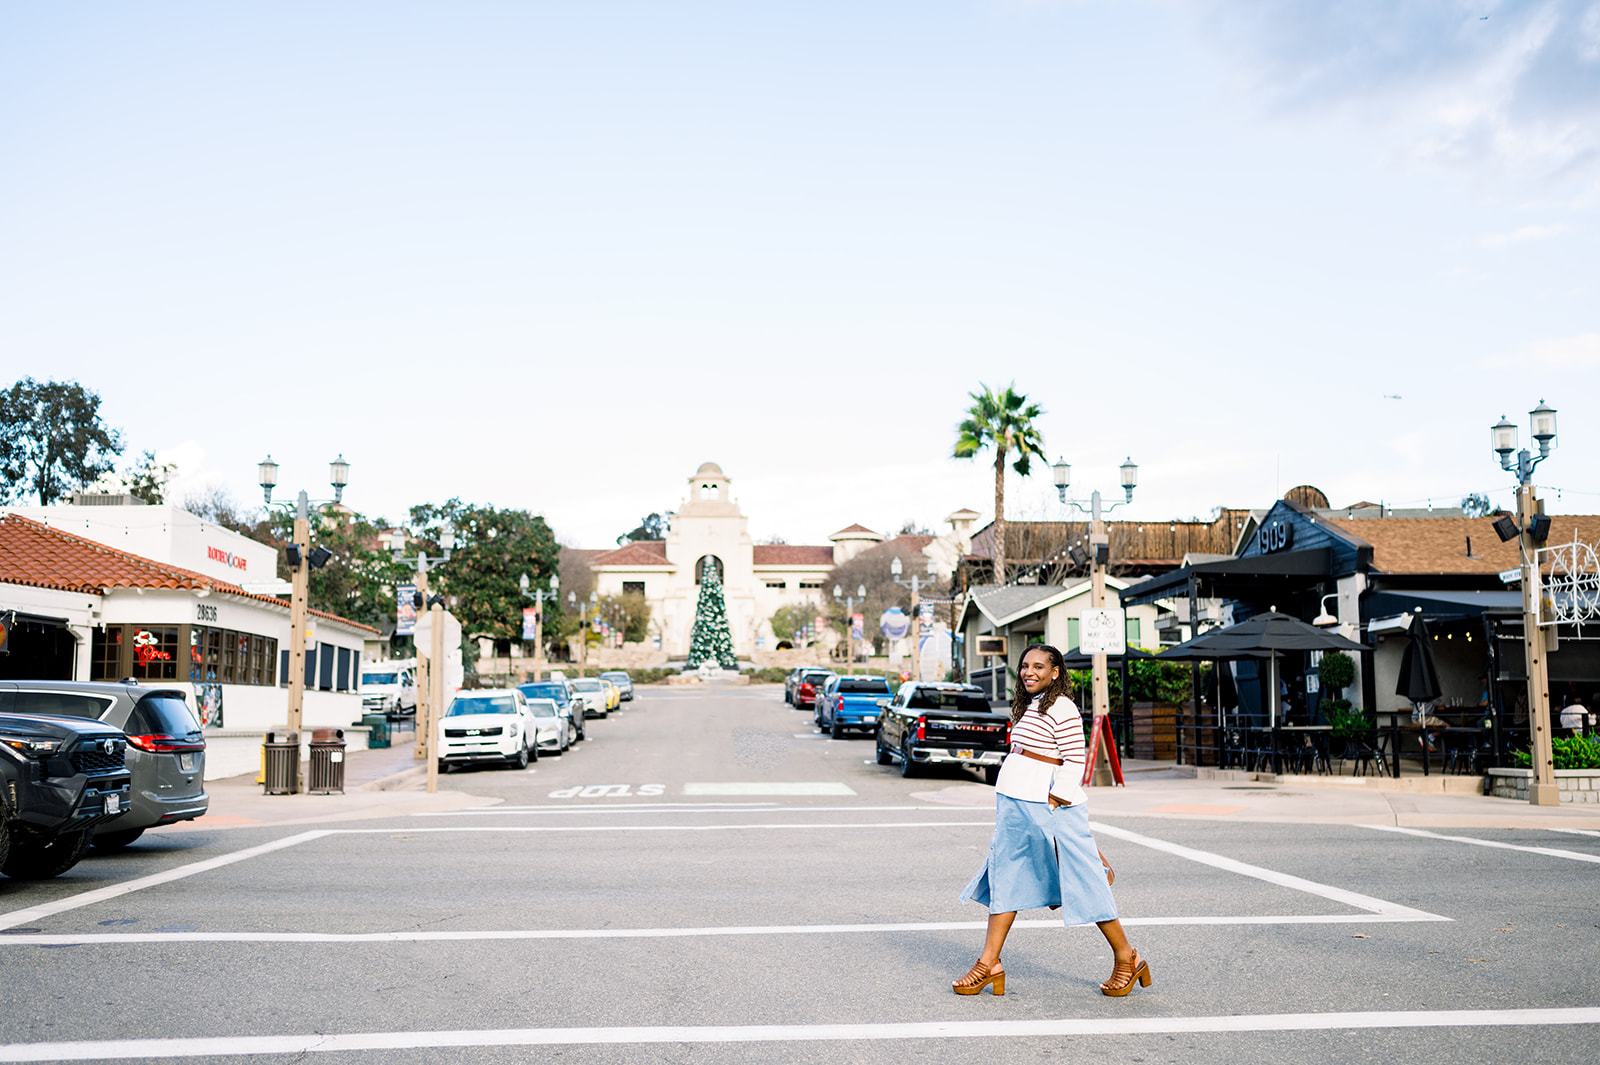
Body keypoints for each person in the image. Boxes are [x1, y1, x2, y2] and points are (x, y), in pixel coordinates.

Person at [953, 643, 1149, 998]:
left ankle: (1127, 957)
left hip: (1049, 806)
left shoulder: (1062, 706)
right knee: (1006, 878)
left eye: (1038, 667)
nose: (1029, 672)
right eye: (1025, 666)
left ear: (1055, 672)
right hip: (1016, 804)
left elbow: (1075, 760)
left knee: (1084, 881)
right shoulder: (1030, 705)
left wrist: (1054, 800)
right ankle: (989, 964)